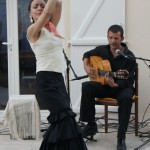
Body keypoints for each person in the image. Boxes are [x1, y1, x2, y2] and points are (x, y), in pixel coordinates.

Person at [27, 0, 87, 150]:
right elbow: (48, 11)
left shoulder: (51, 27)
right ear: (30, 13)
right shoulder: (32, 30)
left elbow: (58, 4)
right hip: (46, 81)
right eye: (35, 6)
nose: (40, 8)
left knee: (62, 121)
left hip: (58, 79)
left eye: (42, 4)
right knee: (65, 118)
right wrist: (47, 8)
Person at [79, 24, 136, 150]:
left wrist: (115, 84)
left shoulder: (129, 57)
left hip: (121, 88)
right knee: (86, 86)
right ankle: (90, 125)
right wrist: (87, 67)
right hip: (105, 86)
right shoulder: (102, 50)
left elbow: (129, 80)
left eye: (116, 38)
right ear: (107, 37)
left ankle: (121, 138)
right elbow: (87, 54)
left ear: (122, 38)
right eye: (110, 38)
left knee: (127, 98)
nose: (113, 41)